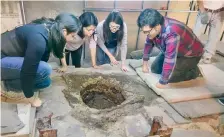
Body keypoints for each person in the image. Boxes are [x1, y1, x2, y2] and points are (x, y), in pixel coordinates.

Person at [1, 13, 81, 107]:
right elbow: (28, 72)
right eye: (72, 36)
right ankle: (5, 85)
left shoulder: (50, 28)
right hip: (2, 57)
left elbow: (42, 58)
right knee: (44, 69)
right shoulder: (39, 39)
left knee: (45, 82)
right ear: (64, 31)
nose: (72, 39)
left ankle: (10, 82)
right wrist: (31, 98)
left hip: (11, 57)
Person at [137, 8, 204, 89]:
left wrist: (163, 82)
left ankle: (194, 71)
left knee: (170, 78)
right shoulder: (153, 27)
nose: (146, 34)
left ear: (157, 27)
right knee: (155, 69)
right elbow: (148, 43)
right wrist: (144, 64)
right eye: (144, 32)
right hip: (173, 49)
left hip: (190, 54)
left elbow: (170, 58)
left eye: (147, 32)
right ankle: (184, 68)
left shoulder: (171, 32)